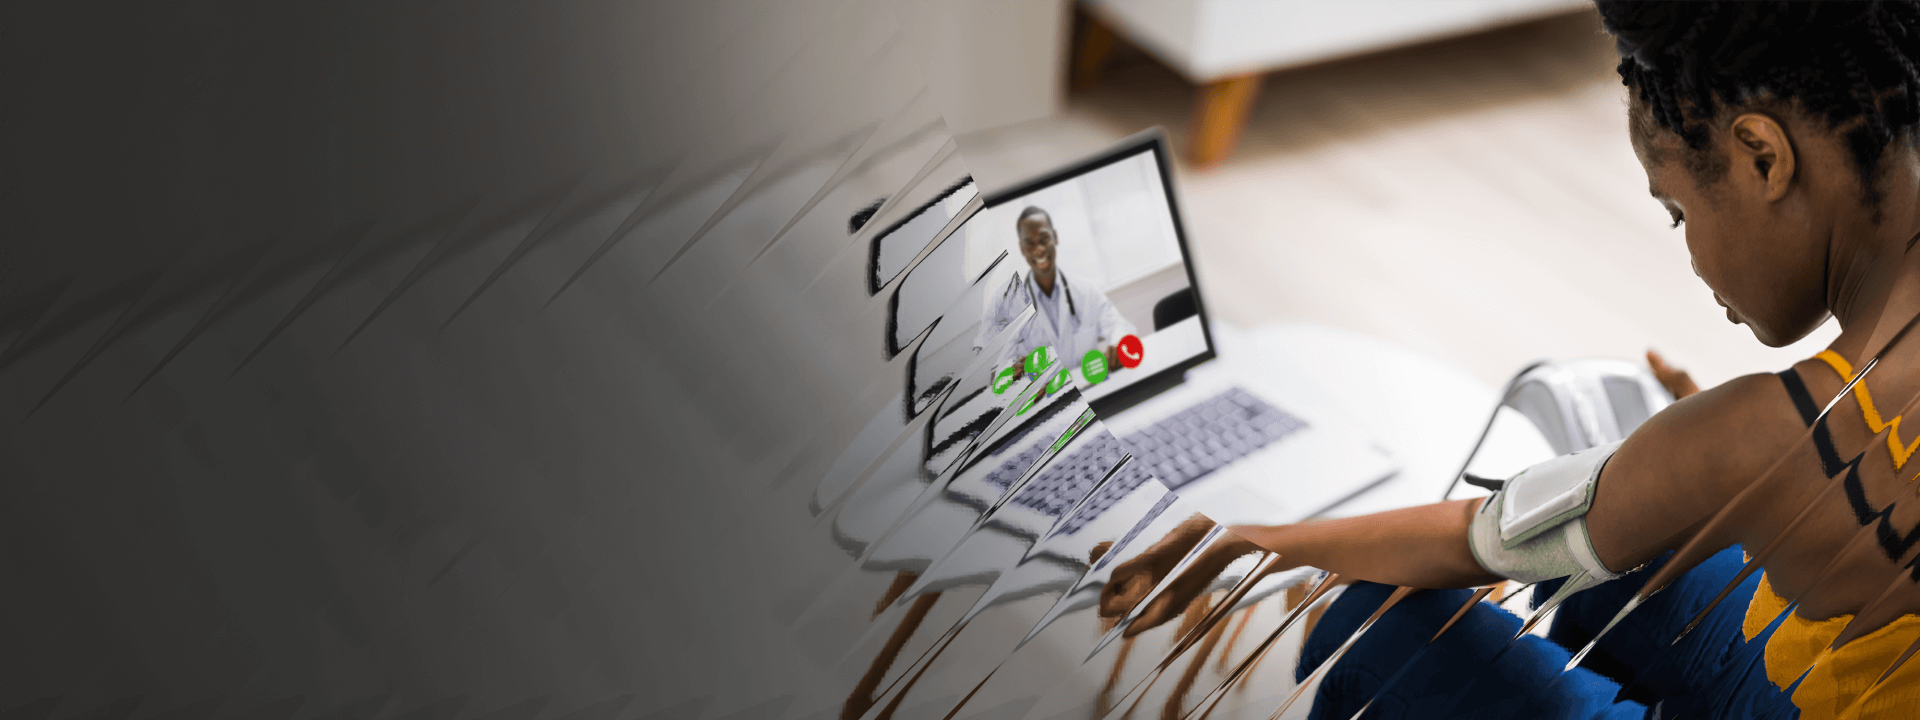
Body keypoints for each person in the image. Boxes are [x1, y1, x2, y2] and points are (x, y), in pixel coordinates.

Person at [1100, 2, 1920, 717]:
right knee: (1640, 555)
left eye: (1677, 214)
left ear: (1764, 158)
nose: (1697, 259)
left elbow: (1481, 538)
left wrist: (1259, 539)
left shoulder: (1770, 435)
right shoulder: (1784, 437)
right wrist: (1707, 464)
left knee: (1375, 631)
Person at [979, 206, 1136, 383]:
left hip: (1091, 387)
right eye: (1030, 243)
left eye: (1044, 239)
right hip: (1043, 402)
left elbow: (1119, 325)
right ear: (1022, 248)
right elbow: (994, 369)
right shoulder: (1007, 306)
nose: (1038, 250)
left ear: (1055, 238)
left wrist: (1118, 343)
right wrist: (1013, 373)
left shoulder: (1085, 291)